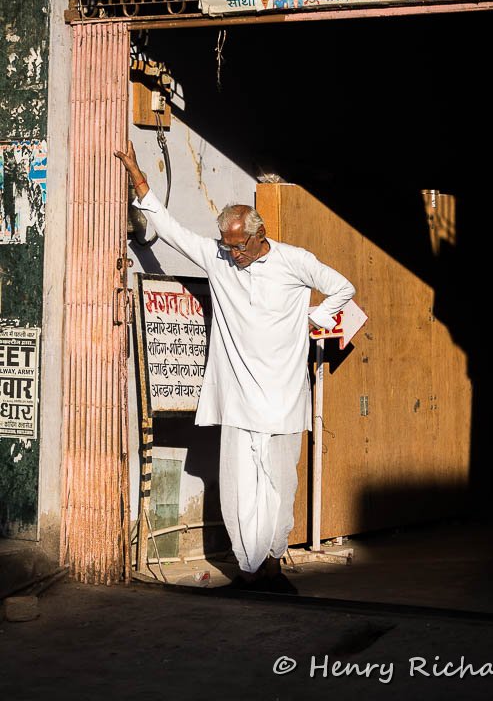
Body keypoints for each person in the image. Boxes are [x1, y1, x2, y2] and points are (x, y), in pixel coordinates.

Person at [114, 142, 356, 593]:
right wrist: (137, 174)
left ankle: (273, 565)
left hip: (283, 399)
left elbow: (343, 288)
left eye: (238, 245)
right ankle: (248, 569)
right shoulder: (220, 258)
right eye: (227, 245)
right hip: (239, 399)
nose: (233, 254)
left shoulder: (294, 261)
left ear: (259, 235)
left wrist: (313, 320)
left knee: (279, 486)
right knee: (239, 486)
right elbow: (171, 230)